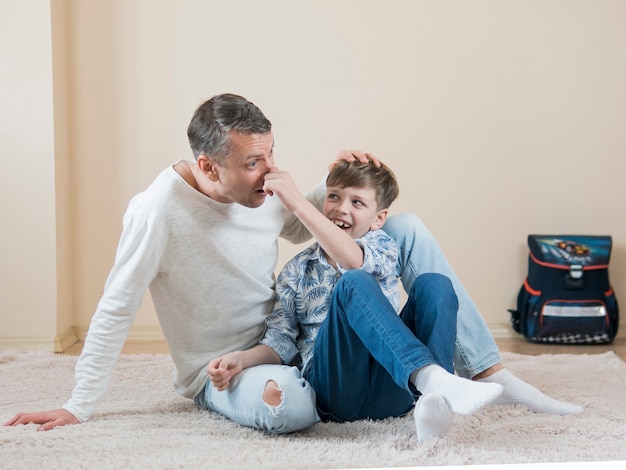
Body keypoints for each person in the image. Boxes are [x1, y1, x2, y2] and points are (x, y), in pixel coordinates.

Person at [4, 93, 580, 434]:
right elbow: (114, 307)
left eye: (272, 153)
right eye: (255, 162)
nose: (270, 171)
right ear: (208, 167)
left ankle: (486, 373)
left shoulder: (260, 193)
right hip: (232, 364)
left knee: (408, 227)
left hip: (294, 333)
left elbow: (319, 231)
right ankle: (421, 382)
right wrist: (78, 405)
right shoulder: (157, 213)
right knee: (294, 407)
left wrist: (341, 185)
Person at [208, 159, 504, 442]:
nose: (340, 209)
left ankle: (435, 397)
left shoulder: (384, 247)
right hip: (337, 392)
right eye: (333, 197)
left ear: (379, 219)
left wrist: (296, 202)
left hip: (395, 387)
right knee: (354, 282)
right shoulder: (297, 269)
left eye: (357, 202)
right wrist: (241, 360)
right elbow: (280, 342)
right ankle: (432, 380)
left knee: (434, 284)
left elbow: (353, 259)